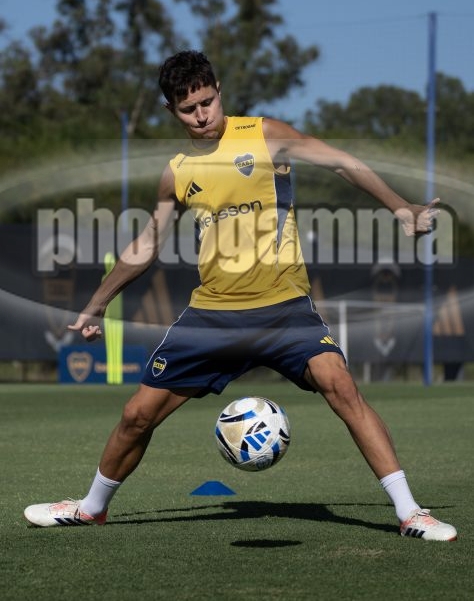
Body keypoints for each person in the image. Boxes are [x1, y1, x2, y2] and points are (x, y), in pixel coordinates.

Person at [24, 50, 457, 541]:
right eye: (188, 109)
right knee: (136, 415)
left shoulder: (264, 134)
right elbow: (147, 244)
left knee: (341, 387)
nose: (201, 115)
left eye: (207, 102)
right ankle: (90, 508)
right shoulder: (177, 172)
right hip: (212, 316)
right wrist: (97, 303)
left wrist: (400, 208)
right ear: (171, 111)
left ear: (220, 92)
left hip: (284, 309)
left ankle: (410, 513)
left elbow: (340, 162)